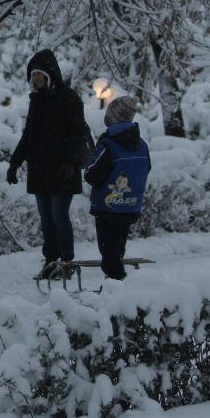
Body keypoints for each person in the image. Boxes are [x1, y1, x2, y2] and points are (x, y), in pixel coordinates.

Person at [7, 49, 90, 280]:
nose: (36, 79)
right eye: (33, 75)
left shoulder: (68, 98)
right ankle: (51, 261)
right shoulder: (36, 102)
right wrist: (14, 163)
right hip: (40, 171)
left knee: (58, 216)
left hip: (62, 171)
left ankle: (66, 261)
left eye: (39, 74)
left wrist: (70, 162)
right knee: (46, 219)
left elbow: (77, 133)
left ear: (50, 74)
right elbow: (28, 137)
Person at [83, 96, 151, 281]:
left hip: (108, 206)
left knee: (108, 250)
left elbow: (93, 175)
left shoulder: (109, 144)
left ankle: (116, 284)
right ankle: (115, 278)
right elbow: (146, 169)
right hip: (130, 205)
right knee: (118, 245)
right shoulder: (142, 145)